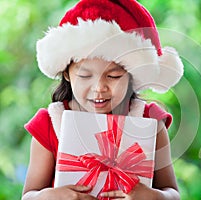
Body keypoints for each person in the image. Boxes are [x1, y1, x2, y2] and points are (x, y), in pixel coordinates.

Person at [22, 0, 184, 199]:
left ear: (131, 75)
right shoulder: (48, 124)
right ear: (66, 73)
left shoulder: (150, 121)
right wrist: (50, 196)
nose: (99, 88)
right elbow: (29, 195)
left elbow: (173, 193)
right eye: (84, 76)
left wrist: (154, 196)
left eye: (113, 76)